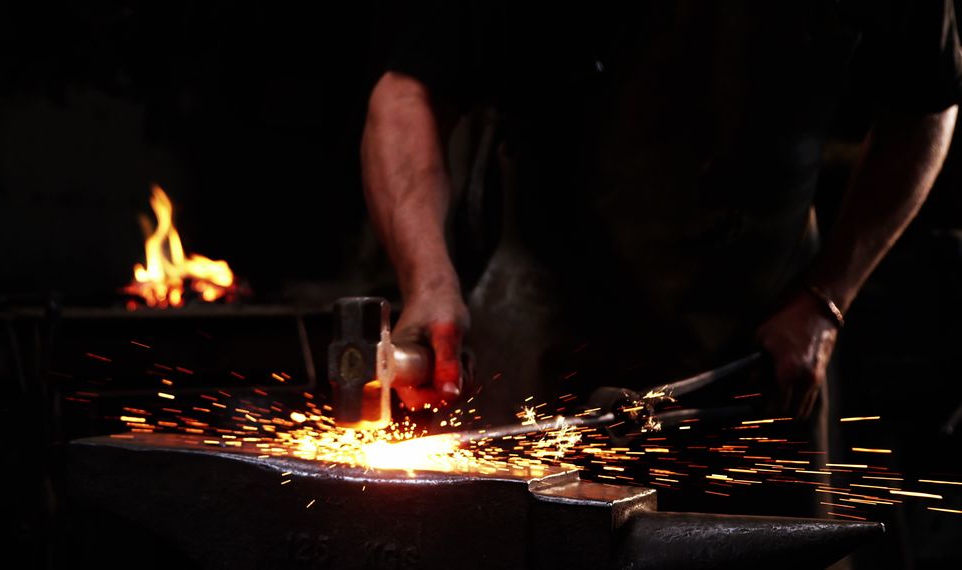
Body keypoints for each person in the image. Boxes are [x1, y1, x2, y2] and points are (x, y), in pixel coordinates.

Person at [360, 1, 960, 509]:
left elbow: (929, 104)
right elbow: (409, 91)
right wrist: (429, 281)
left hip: (763, 336)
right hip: (539, 314)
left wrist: (826, 298)